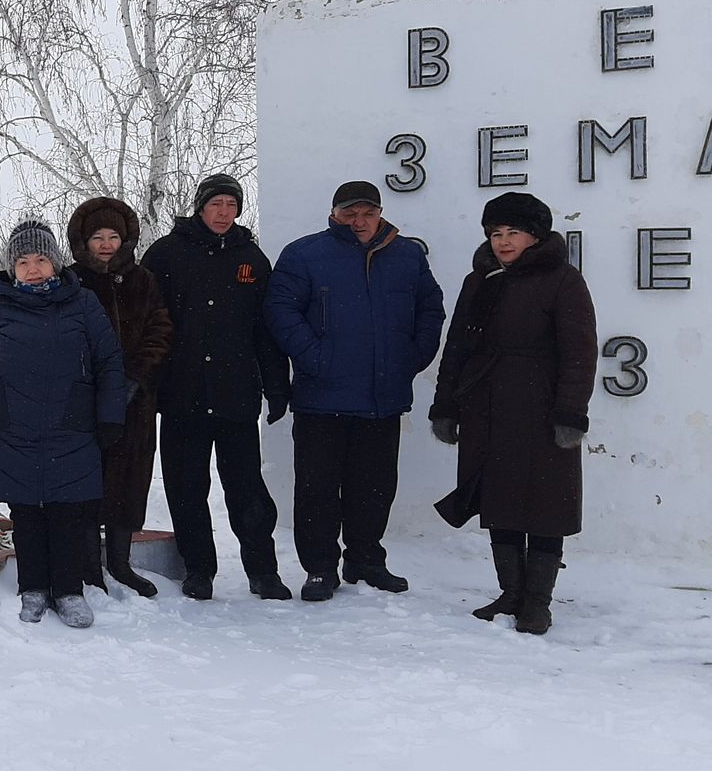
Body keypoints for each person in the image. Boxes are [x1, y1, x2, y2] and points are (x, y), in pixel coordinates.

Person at [263, 180, 445, 602]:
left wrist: (410, 357)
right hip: (321, 398)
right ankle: (320, 568)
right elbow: (280, 311)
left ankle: (365, 559)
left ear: (380, 213)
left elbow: (430, 308)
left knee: (375, 486)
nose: (359, 222)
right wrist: (316, 357)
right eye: (350, 213)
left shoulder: (407, 255)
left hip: (382, 396)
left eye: (368, 212)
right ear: (334, 215)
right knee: (317, 488)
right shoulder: (305, 254)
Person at [428, 193, 597, 635]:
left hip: (541, 408)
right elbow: (458, 348)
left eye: (513, 233)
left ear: (535, 236)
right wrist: (445, 403)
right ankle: (511, 592)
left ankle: (537, 601)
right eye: (496, 233)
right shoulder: (480, 279)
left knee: (546, 503)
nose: (503, 242)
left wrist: (570, 414)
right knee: (498, 500)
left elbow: (579, 354)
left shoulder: (563, 279)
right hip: (486, 405)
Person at [0, 219, 126, 629]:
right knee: (27, 513)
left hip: (71, 425)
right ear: (11, 268)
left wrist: (109, 417)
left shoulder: (83, 304)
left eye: (40, 259)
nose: (33, 269)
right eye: (22, 261)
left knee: (67, 512)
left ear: (55, 262)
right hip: (13, 426)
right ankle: (33, 587)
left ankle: (69, 591)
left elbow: (109, 363)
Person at [142, 173, 294, 601]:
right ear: (200, 207)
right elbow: (147, 324)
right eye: (216, 205)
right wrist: (147, 383)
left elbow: (266, 330)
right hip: (181, 396)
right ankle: (199, 570)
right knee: (187, 488)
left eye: (232, 205)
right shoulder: (167, 254)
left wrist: (276, 385)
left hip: (235, 396)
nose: (224, 213)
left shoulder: (251, 258)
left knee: (247, 489)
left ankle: (263, 571)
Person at [65, 196, 171, 599]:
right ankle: (90, 566)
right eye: (98, 237)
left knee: (129, 478)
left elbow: (160, 331)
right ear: (83, 241)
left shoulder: (143, 280)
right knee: (88, 480)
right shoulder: (71, 281)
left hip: (134, 400)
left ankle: (121, 564)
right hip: (85, 401)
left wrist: (134, 377)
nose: (106, 244)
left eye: (113, 236)